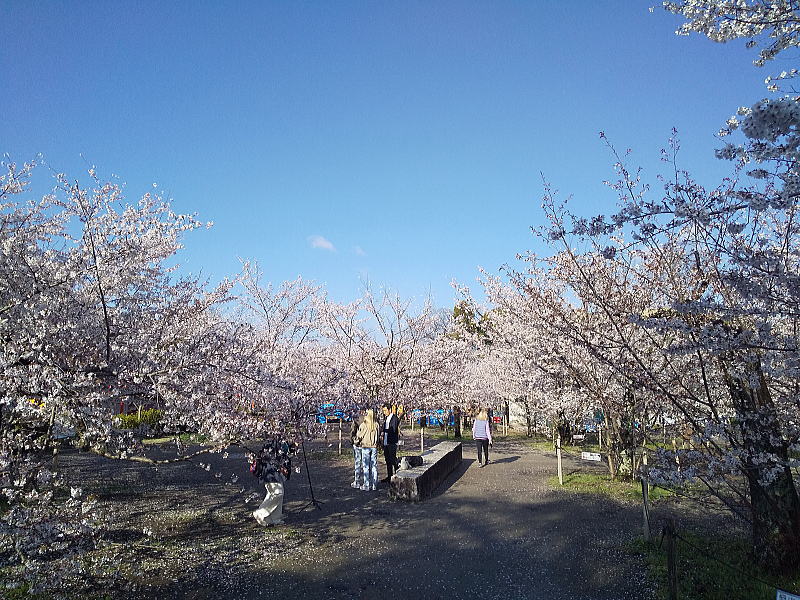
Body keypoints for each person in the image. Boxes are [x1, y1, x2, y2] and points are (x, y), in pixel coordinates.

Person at [252, 437, 296, 526]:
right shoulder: (272, 438)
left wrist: (293, 446)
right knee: (278, 493)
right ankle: (261, 513)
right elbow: (268, 455)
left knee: (273, 494)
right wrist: (280, 465)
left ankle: (274, 519)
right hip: (271, 471)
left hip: (275, 471)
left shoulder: (282, 438)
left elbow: (285, 452)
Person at [355, 408, 379, 490]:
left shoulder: (364, 425)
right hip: (374, 447)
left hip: (365, 446)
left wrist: (356, 441)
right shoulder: (376, 425)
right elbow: (378, 436)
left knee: (366, 466)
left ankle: (366, 485)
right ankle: (374, 484)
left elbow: (359, 435)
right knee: (374, 466)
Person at [380, 403, 400, 482]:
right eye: (383, 411)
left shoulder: (394, 418)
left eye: (385, 410)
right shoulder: (387, 419)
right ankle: (389, 476)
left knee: (393, 460)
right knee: (387, 461)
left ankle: (397, 476)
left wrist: (384, 431)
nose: (384, 412)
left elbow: (393, 430)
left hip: (391, 443)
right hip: (386, 442)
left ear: (389, 410)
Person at [350, 410, 364, 488]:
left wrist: (352, 440)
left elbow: (352, 431)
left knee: (357, 463)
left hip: (358, 444)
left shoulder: (357, 419)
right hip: (366, 444)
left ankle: (357, 481)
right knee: (367, 464)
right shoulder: (369, 419)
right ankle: (368, 482)